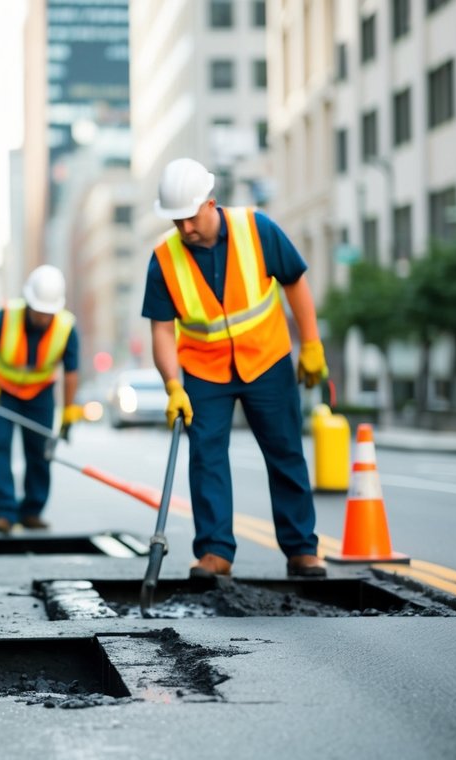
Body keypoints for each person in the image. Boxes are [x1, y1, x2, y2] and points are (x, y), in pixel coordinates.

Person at [141, 157, 329, 579]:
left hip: (267, 360)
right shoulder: (164, 259)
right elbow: (162, 332)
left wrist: (312, 344)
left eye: (190, 217)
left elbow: (295, 280)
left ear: (210, 202)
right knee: (206, 459)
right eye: (176, 222)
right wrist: (173, 384)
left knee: (285, 453)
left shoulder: (257, 229)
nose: (185, 229)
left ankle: (302, 550)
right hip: (204, 372)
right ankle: (215, 552)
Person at [0, 265, 82, 533]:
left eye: (48, 313)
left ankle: (32, 510)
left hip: (40, 395)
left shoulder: (67, 327)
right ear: (29, 302)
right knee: (0, 448)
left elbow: (71, 374)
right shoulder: (6, 317)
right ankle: (5, 514)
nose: (43, 318)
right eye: (39, 311)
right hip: (2, 393)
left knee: (40, 452)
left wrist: (68, 412)